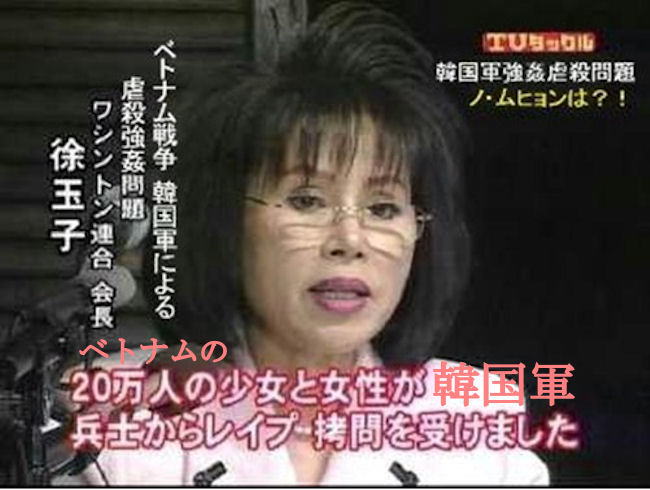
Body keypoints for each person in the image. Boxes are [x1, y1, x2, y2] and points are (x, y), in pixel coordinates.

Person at [67, 2, 549, 485]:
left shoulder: (478, 422)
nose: (350, 241)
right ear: (225, 221)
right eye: (307, 201)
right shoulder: (112, 423)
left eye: (383, 208)